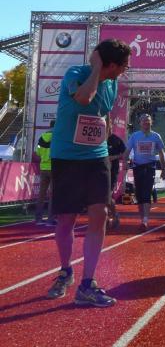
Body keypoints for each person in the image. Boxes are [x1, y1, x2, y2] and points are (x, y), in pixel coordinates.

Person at [46, 39, 131, 306]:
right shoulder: (75, 73)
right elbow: (85, 98)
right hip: (67, 156)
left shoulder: (113, 83)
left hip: (96, 157)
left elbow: (102, 114)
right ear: (112, 65)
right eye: (124, 66)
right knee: (66, 219)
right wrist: (95, 68)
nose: (125, 70)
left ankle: (87, 284)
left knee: (100, 214)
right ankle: (65, 271)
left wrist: (104, 137)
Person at [123, 114, 165, 230]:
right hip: (137, 167)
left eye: (148, 121)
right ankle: (142, 218)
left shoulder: (156, 136)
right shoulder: (134, 136)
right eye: (144, 121)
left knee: (147, 193)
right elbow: (127, 151)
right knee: (139, 195)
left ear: (151, 122)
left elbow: (161, 153)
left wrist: (163, 170)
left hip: (150, 167)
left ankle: (146, 220)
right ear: (140, 123)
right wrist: (125, 162)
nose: (146, 123)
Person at [34, 120, 55, 225]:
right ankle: (50, 220)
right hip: (54, 167)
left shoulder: (42, 137)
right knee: (53, 195)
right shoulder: (57, 137)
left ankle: (38, 219)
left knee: (41, 194)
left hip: (43, 167)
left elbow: (37, 152)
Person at [106, 128, 127, 230]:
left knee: (108, 196)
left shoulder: (116, 140)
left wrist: (113, 157)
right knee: (100, 198)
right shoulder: (98, 139)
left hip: (112, 172)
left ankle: (114, 215)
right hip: (98, 171)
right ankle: (105, 218)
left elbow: (124, 154)